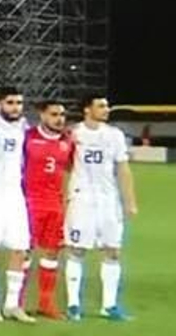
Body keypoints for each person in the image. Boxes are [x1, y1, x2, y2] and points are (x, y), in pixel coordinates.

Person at [65, 94, 138, 321]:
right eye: (101, 106)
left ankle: (109, 306)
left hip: (108, 199)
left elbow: (123, 169)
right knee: (77, 249)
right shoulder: (73, 134)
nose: (106, 110)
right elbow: (64, 163)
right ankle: (73, 305)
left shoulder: (115, 135)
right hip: (82, 198)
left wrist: (129, 201)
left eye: (107, 106)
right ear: (87, 109)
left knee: (112, 250)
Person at [0, 87, 37, 324]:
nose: (15, 107)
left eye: (19, 103)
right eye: (10, 102)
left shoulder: (23, 126)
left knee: (21, 248)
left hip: (14, 194)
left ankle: (12, 305)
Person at [25, 100, 76, 319]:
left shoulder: (68, 141)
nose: (59, 119)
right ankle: (17, 302)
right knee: (25, 251)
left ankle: (46, 303)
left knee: (52, 252)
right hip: (30, 202)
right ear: (42, 115)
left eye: (62, 115)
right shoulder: (28, 137)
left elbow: (72, 169)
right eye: (54, 114)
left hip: (54, 203)